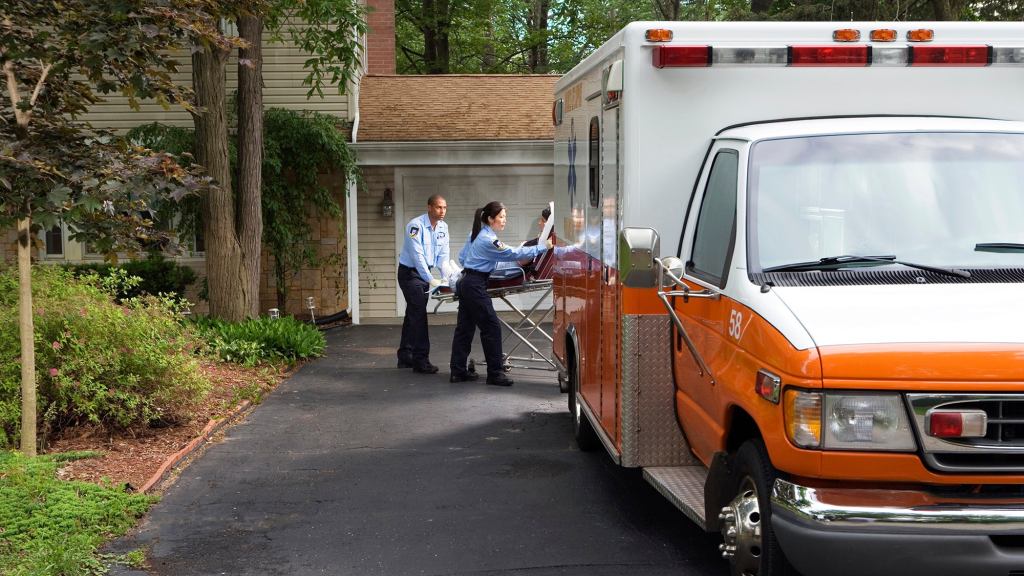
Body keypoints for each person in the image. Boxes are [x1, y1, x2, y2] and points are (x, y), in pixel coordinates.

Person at [449, 201, 551, 386]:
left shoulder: (477, 234)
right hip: (475, 285)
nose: (505, 221)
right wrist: (544, 246)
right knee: (491, 327)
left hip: (466, 281)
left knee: (465, 329)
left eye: (505, 217)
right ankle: (495, 373)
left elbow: (463, 257)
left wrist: (482, 264)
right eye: (501, 217)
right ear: (490, 219)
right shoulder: (489, 239)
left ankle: (458, 371)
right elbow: (512, 253)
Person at [397, 194, 449, 373]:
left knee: (413, 312)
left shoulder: (443, 227)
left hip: (424, 274)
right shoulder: (415, 226)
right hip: (410, 274)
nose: (442, 211)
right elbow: (417, 257)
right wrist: (430, 279)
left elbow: (443, 255)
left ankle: (405, 356)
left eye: (444, 208)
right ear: (429, 207)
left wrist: (446, 276)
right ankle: (421, 360)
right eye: (438, 207)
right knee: (419, 313)